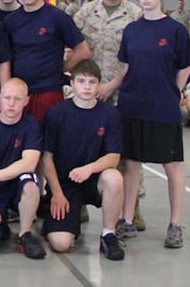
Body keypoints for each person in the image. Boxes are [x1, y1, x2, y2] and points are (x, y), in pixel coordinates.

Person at [115, 0, 190, 249]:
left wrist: (173, 93)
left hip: (163, 108)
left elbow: (184, 68)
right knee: (131, 164)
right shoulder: (132, 30)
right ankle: (126, 220)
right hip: (132, 105)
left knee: (172, 166)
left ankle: (175, 225)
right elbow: (126, 67)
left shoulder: (175, 31)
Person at [40, 60, 126, 260]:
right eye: (81, 81)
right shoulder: (57, 114)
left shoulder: (110, 115)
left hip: (93, 180)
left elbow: (114, 157)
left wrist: (89, 169)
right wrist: (57, 194)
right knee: (61, 244)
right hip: (65, 185)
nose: (87, 87)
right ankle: (63, 218)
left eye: (92, 82)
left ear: (98, 85)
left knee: (114, 178)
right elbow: (47, 158)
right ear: (72, 83)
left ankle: (108, 235)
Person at [0, 78, 45, 259]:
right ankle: (0, 223)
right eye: (7, 98)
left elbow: (29, 163)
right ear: (0, 98)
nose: (11, 104)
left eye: (18, 99)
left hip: (18, 183)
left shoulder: (31, 126)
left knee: (30, 184)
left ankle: (24, 235)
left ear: (26, 101)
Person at [5, 0, 91, 122]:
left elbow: (83, 51)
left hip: (48, 91)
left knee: (48, 143)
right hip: (19, 93)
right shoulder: (10, 21)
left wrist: (62, 67)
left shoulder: (58, 17)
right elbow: (4, 59)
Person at [72, 0, 143, 104]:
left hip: (123, 90)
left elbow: (138, 58)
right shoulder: (86, 12)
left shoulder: (136, 15)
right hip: (89, 90)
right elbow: (73, 47)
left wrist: (112, 85)